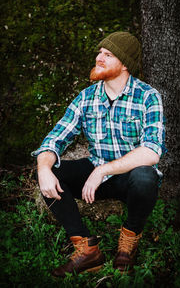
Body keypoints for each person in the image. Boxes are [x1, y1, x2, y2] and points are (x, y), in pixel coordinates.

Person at [32, 31, 166, 277]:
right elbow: (54, 139)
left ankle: (129, 240)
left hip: (129, 179)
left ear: (125, 64)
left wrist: (103, 170)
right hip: (96, 172)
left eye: (108, 54)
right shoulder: (86, 98)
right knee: (50, 170)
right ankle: (86, 249)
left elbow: (151, 151)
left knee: (146, 176)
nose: (99, 58)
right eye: (99, 52)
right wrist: (43, 168)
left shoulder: (148, 96)